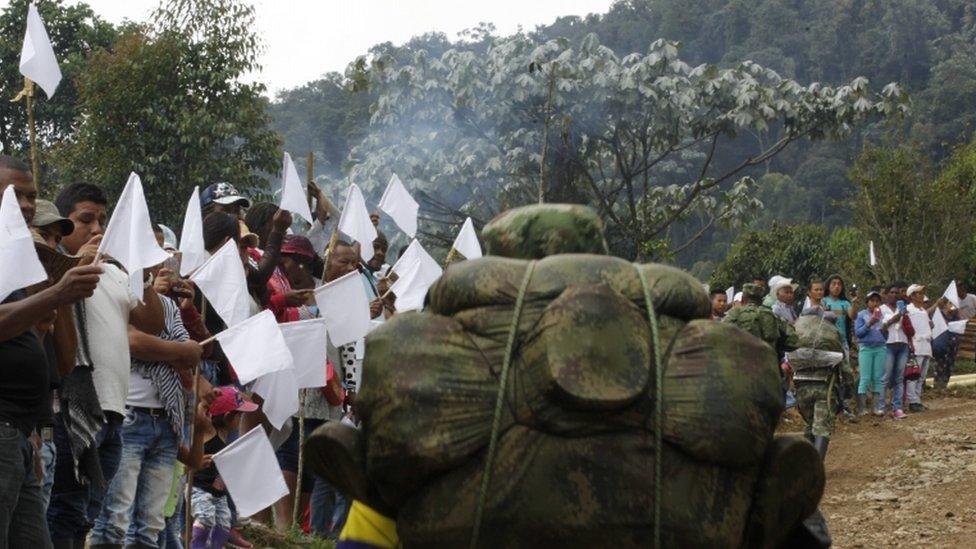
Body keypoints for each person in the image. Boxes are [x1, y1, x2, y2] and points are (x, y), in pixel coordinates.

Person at [49, 182, 167, 548]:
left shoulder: (115, 273)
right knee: (63, 508)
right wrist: (78, 264)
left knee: (90, 510)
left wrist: (140, 272)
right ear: (62, 225)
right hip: (70, 408)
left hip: (114, 410)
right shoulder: (51, 269)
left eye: (102, 220)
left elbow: (152, 322)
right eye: (86, 220)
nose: (97, 229)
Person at [0, 156, 103, 548]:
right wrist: (56, 292)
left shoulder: (18, 265)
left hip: (23, 435)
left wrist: (37, 429)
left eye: (32, 196)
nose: (26, 205)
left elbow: (59, 362)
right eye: (15, 194)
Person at [88, 253, 205, 547]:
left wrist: (176, 350)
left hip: (165, 421)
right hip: (127, 417)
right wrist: (178, 352)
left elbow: (190, 350)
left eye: (155, 260)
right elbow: (135, 342)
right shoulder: (113, 293)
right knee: (115, 517)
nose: (155, 266)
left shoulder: (167, 306)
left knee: (150, 525)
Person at [190, 387, 258, 549]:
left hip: (218, 493)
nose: (241, 419)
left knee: (224, 523)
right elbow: (199, 415)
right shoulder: (209, 430)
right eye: (239, 415)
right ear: (228, 416)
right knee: (205, 518)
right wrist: (205, 404)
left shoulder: (226, 435)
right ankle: (197, 546)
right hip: (200, 489)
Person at [789, 309, 851, 459]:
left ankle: (805, 464)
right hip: (825, 388)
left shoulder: (800, 336)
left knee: (810, 424)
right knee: (822, 428)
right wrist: (848, 390)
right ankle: (815, 467)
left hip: (802, 388)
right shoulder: (831, 340)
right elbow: (845, 369)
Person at [724, 283, 798, 360]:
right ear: (760, 301)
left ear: (742, 300)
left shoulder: (734, 314)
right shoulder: (772, 315)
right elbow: (793, 342)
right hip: (768, 366)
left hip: (740, 367)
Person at [904, 284, 941, 413]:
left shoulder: (923, 311)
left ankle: (917, 400)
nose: (922, 295)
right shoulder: (908, 309)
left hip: (926, 346)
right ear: (912, 296)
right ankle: (912, 401)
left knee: (921, 376)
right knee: (913, 375)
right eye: (919, 293)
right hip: (916, 346)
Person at [878, 283, 910, 419]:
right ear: (886, 295)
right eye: (891, 292)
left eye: (897, 293)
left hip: (903, 344)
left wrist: (905, 316)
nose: (894, 295)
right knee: (885, 378)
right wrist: (894, 318)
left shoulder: (903, 308)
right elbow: (881, 328)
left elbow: (909, 328)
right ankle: (880, 407)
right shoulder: (881, 309)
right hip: (888, 345)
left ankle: (897, 408)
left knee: (899, 378)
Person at [854, 290, 887, 416]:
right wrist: (869, 323)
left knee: (877, 378)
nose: (874, 303)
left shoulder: (882, 315)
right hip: (866, 348)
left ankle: (875, 407)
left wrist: (884, 329)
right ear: (867, 302)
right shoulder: (861, 314)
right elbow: (858, 333)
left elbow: (886, 335)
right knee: (865, 378)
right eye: (872, 300)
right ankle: (862, 408)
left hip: (880, 347)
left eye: (877, 301)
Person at [822, 274, 857, 356]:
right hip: (827, 340)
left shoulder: (845, 303)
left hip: (842, 340)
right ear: (828, 286)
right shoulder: (823, 301)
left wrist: (854, 303)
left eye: (839, 284)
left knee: (845, 366)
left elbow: (853, 316)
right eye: (834, 284)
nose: (837, 286)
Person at [932, 302, 961, 390]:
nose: (952, 306)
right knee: (939, 363)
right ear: (945, 304)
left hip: (952, 343)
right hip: (941, 344)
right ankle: (937, 384)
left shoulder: (955, 316)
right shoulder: (939, 314)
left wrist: (958, 313)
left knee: (949, 364)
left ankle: (944, 384)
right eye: (950, 303)